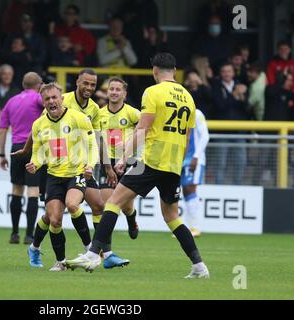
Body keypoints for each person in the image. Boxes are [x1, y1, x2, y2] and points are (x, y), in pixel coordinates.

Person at [65, 53, 210, 279]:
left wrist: (123, 157)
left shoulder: (153, 92)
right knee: (172, 217)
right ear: (174, 69)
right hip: (173, 164)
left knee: (113, 202)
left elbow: (143, 127)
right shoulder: (188, 97)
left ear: (154, 70)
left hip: (153, 160)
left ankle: (93, 254)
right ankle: (199, 266)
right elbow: (188, 135)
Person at [26, 82, 98, 271]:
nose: (51, 101)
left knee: (73, 204)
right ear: (43, 102)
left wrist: (90, 165)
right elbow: (38, 152)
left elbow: (92, 146)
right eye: (47, 99)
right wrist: (35, 163)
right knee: (55, 219)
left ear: (62, 98)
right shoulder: (38, 125)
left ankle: (90, 249)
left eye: (54, 97)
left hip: (76, 172)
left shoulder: (78, 118)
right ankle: (61, 261)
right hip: (53, 176)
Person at [0, 72, 43, 245]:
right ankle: (29, 235)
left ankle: (14, 233)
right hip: (34, 148)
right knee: (33, 190)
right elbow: (51, 107)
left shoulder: (11, 101)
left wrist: (2, 154)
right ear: (38, 85)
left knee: (16, 190)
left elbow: (3, 130)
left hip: (16, 148)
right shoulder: (38, 99)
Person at [98, 77, 140, 243]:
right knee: (108, 205)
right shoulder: (100, 114)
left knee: (126, 207)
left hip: (127, 162)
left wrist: (129, 144)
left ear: (124, 93)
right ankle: (104, 248)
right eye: (111, 89)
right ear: (107, 92)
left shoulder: (132, 113)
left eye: (118, 89)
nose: (114, 92)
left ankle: (131, 219)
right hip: (107, 162)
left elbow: (146, 129)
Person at [180, 108, 209, 238]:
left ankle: (196, 227)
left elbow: (205, 135)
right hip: (179, 159)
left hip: (193, 159)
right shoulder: (176, 112)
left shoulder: (196, 113)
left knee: (190, 189)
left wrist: (196, 156)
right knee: (185, 191)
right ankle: (188, 227)